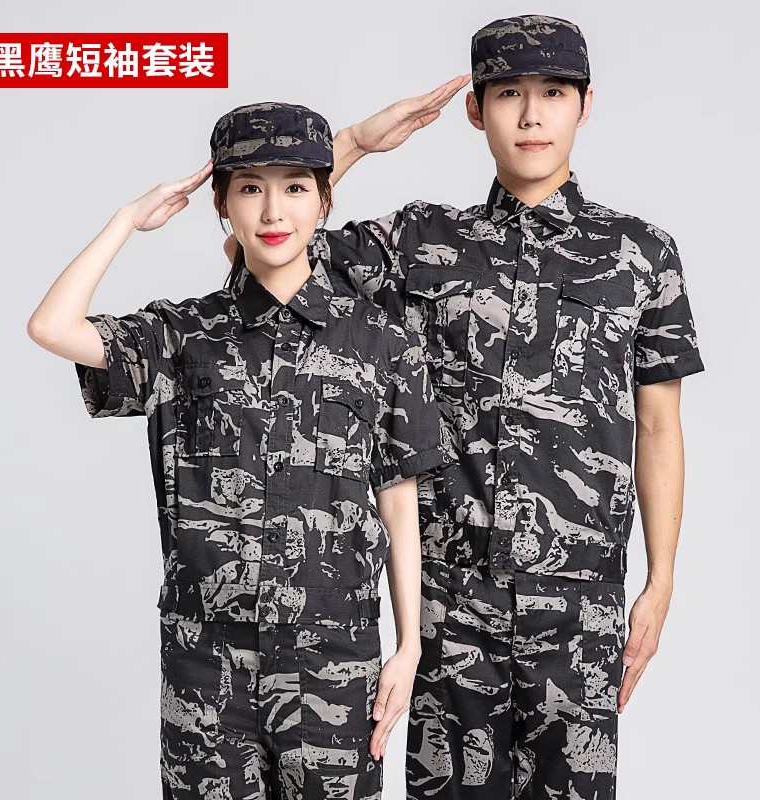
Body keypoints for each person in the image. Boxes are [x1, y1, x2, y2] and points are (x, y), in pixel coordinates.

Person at [226, 15, 706, 800]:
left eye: (554, 93)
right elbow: (262, 251)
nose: (531, 115)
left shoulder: (640, 254)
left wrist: (661, 581)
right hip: (449, 602)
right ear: (476, 110)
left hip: (579, 603)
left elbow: (658, 424)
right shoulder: (421, 241)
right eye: (508, 94)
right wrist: (354, 142)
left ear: (585, 106)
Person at [27, 101, 457, 799]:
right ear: (222, 205)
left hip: (332, 663)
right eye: (250, 188)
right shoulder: (182, 336)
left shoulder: (382, 344)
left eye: (295, 187)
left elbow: (398, 500)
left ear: (324, 201)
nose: (272, 210)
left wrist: (409, 645)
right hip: (206, 669)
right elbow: (51, 326)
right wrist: (127, 220)